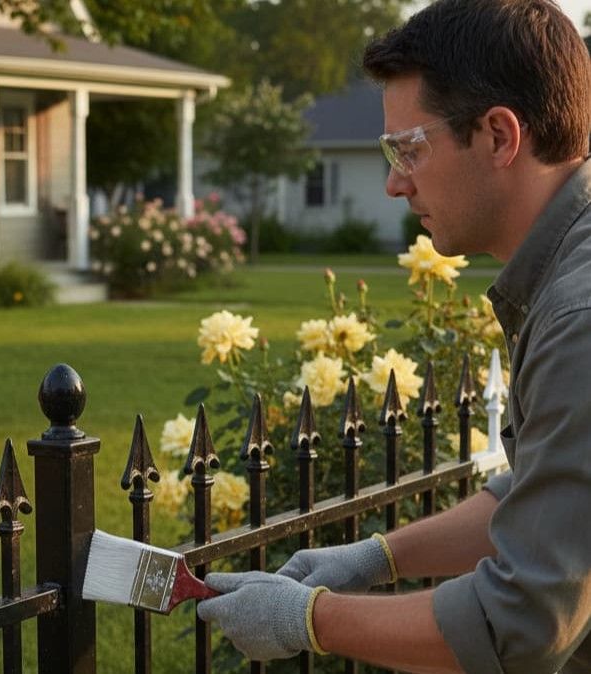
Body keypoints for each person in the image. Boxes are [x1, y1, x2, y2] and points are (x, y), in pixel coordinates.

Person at [196, 1, 591, 672]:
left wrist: (308, 619)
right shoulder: (567, 272)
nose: (393, 182)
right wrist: (378, 557)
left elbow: (521, 623)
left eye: (409, 148)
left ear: (499, 136)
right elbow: (544, 496)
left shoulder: (577, 318)